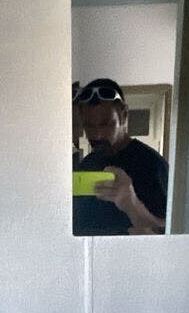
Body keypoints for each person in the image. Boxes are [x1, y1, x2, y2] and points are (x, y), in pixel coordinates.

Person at [72, 79, 168, 236]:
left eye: (106, 124)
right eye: (89, 125)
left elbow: (166, 233)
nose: (97, 135)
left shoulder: (152, 164)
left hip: (131, 252)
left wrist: (131, 203)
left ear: (123, 115)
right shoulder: (87, 163)